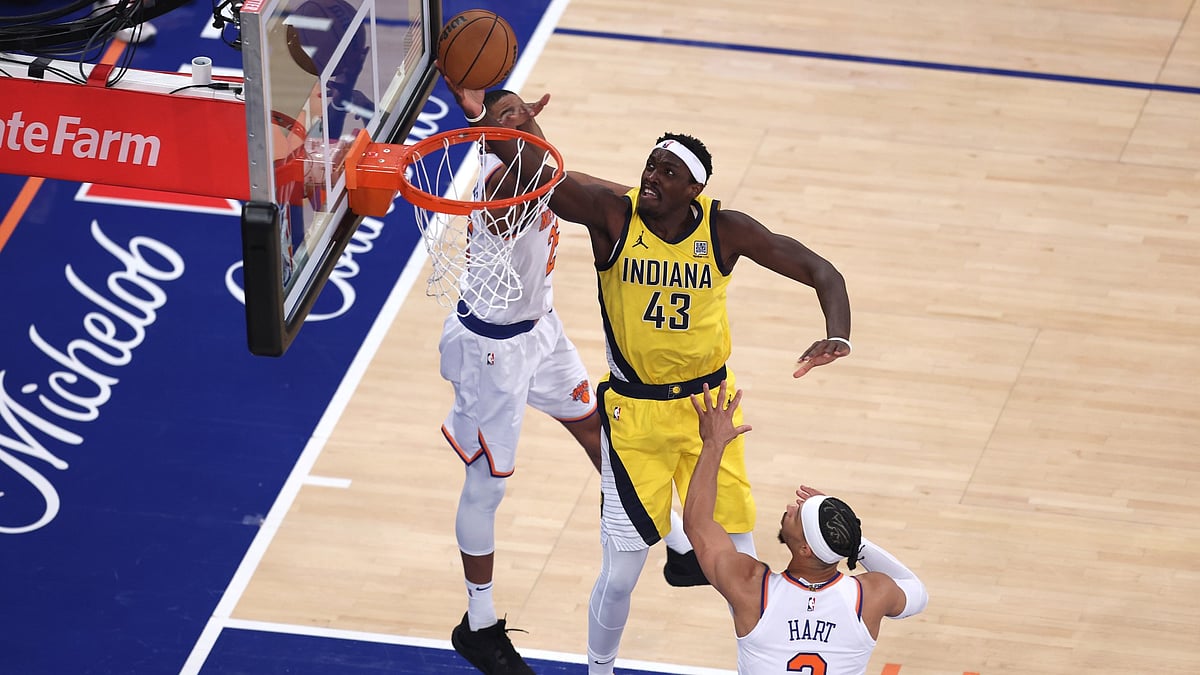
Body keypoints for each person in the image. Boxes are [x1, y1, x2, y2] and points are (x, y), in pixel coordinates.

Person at [441, 73, 854, 675]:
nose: (652, 178)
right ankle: (595, 667)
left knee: (743, 561)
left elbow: (823, 271)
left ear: (696, 188)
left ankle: (721, 594)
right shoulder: (613, 215)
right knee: (620, 573)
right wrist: (496, 124)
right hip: (634, 415)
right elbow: (543, 173)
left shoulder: (722, 229)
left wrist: (836, 333)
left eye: (667, 172)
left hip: (710, 414)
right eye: (649, 166)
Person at [442, 89, 601, 675]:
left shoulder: (535, 154)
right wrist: (494, 130)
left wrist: (506, 125)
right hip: (492, 351)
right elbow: (516, 205)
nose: (522, 119)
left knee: (594, 426)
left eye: (524, 110)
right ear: (491, 134)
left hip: (541, 328)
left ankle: (652, 526)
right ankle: (478, 624)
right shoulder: (502, 184)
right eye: (507, 116)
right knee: (486, 487)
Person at [684, 381, 928, 674]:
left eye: (798, 515)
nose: (789, 507)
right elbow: (917, 591)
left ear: (805, 548)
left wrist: (713, 444)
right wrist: (854, 542)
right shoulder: (871, 595)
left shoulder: (751, 586)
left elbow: (697, 524)